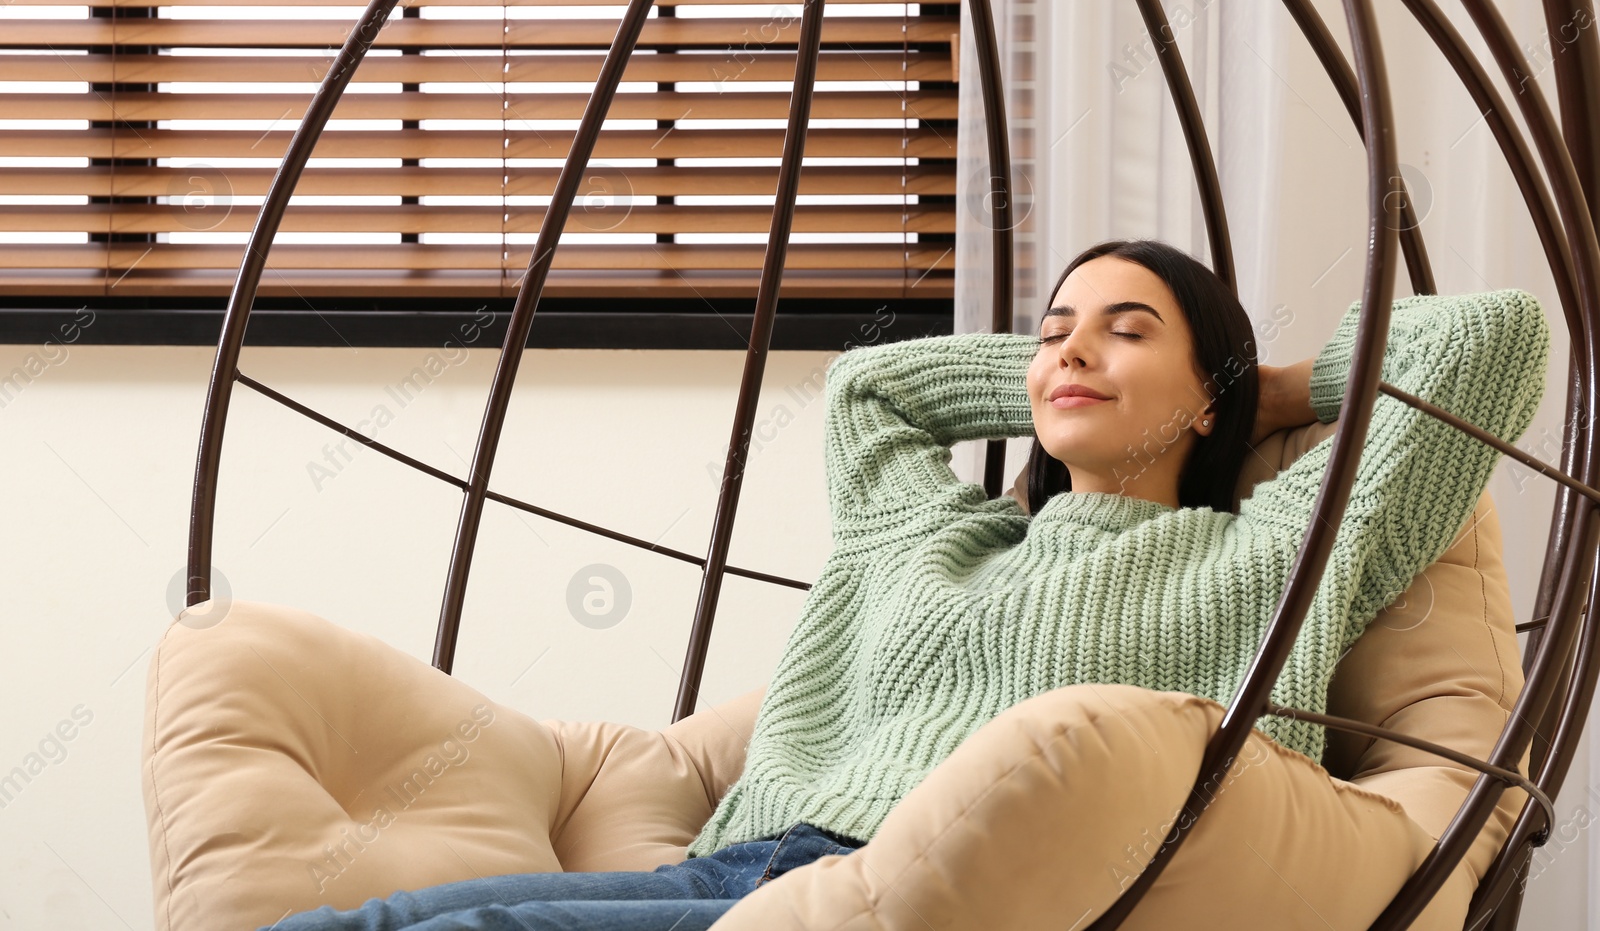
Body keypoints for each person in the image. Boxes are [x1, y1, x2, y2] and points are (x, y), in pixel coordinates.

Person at [269, 238, 1549, 931]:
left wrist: (1258, 388)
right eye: (1053, 330)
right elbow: (867, 387)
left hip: (944, 893)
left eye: (1125, 327)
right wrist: (1067, 379)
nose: (1070, 350)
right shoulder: (931, 534)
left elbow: (1486, 337)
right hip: (748, 872)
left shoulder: (1268, 550)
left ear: (1208, 388)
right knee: (358, 926)